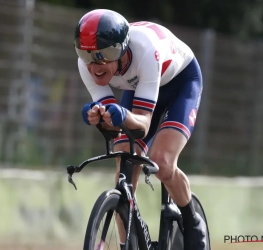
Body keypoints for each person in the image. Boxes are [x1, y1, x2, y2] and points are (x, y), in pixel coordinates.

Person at [74, 9, 206, 250]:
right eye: (87, 54)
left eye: (105, 54)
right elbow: (114, 125)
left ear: (122, 49)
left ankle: (192, 220)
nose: (95, 65)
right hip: (139, 86)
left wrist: (120, 115)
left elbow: (142, 125)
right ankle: (129, 243)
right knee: (125, 157)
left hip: (180, 82)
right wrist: (99, 117)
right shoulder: (86, 66)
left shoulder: (144, 50)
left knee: (162, 162)